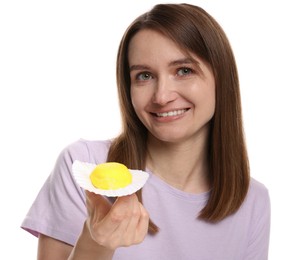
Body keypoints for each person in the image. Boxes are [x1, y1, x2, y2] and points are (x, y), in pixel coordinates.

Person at [21, 3, 270, 260]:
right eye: (144, 76)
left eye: (184, 71)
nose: (162, 96)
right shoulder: (85, 167)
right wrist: (96, 244)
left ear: (222, 78)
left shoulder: (253, 201)